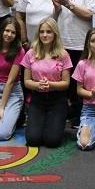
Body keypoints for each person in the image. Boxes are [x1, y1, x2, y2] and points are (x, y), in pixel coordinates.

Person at [52, 0, 95, 125]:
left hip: (82, 42)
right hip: (64, 42)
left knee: (83, 80)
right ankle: (71, 111)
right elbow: (57, 13)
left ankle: (84, 113)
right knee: (68, 81)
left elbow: (90, 14)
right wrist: (57, 7)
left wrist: (69, 5)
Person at [21, 18, 72, 148]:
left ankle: (55, 125)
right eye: (42, 32)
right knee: (33, 140)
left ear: (55, 34)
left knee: (52, 141)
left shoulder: (63, 54)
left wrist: (51, 84)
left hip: (57, 99)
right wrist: (38, 85)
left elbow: (66, 83)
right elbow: (26, 82)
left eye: (48, 32)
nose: (45, 35)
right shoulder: (30, 53)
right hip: (37, 99)